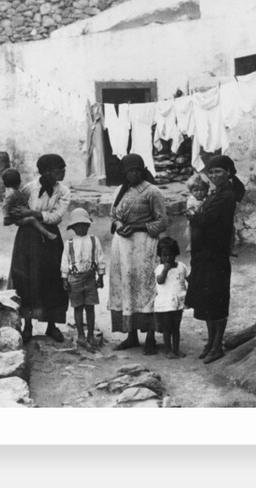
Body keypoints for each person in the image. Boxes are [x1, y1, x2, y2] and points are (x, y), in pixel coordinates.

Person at [107, 153, 168, 355]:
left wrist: (136, 227)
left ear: (142, 170)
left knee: (146, 286)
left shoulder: (152, 192)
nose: (133, 174)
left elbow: (161, 222)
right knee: (126, 286)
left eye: (136, 170)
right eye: (129, 171)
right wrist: (119, 224)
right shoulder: (119, 191)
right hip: (122, 246)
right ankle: (131, 335)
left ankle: (150, 336)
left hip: (144, 245)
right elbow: (113, 215)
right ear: (124, 173)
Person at [185, 154, 243, 364]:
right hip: (204, 255)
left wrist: (193, 216)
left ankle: (217, 345)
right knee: (207, 301)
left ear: (228, 172)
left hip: (216, 255)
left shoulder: (227, 196)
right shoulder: (215, 193)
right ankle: (210, 342)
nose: (214, 175)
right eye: (211, 172)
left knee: (217, 301)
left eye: (218, 171)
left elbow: (206, 219)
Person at [8, 154, 71, 343]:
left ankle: (51, 326)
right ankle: (27, 325)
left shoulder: (64, 191)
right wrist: (24, 215)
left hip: (51, 239)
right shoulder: (29, 188)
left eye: (63, 168)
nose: (63, 172)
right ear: (46, 171)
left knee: (51, 279)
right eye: (58, 169)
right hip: (27, 238)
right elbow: (16, 211)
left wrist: (33, 213)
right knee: (27, 278)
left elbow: (56, 217)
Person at [60, 208, 105, 350]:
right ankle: (80, 335)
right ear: (73, 227)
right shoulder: (69, 243)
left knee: (90, 307)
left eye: (83, 225)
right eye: (77, 225)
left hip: (90, 277)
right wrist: (64, 279)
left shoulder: (94, 240)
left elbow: (100, 258)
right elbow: (64, 262)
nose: (81, 227)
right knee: (78, 307)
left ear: (88, 225)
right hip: (75, 278)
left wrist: (101, 276)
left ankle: (90, 334)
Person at [154, 236, 188, 359]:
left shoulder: (181, 267)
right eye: (164, 255)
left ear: (176, 254)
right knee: (167, 329)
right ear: (160, 256)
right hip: (165, 305)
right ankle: (168, 350)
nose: (167, 258)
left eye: (170, 255)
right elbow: (160, 281)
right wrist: (165, 270)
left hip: (178, 304)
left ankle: (176, 349)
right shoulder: (160, 268)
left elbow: (189, 278)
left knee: (176, 328)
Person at [1, 167, 58, 242]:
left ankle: (43, 234)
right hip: (17, 218)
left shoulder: (16, 192)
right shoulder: (11, 193)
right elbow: (5, 206)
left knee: (34, 219)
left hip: (20, 215)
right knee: (32, 219)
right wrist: (6, 217)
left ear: (4, 183)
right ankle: (47, 234)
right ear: (20, 182)